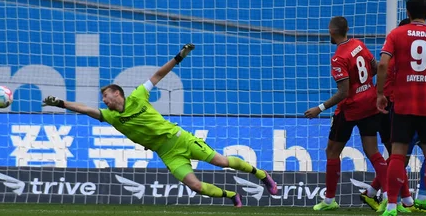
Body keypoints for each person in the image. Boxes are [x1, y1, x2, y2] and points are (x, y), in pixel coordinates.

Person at [42, 43, 278, 207]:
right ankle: (232, 195)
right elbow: (84, 109)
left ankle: (261, 175)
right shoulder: (110, 116)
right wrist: (61, 102)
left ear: (117, 93)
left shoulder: (138, 96)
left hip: (179, 138)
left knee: (221, 161)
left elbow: (157, 75)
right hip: (167, 153)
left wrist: (179, 57)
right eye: (103, 99)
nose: (103, 100)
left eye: (106, 96)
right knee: (195, 186)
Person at [376, 0, 426, 216]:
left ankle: (391, 207)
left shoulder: (396, 34)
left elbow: (383, 64)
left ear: (408, 13)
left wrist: (380, 93)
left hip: (403, 103)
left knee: (398, 154)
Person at [305, 17, 389, 211]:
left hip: (350, 109)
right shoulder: (359, 45)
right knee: (373, 152)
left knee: (332, 151)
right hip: (369, 103)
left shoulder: (338, 58)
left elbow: (344, 92)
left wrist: (320, 108)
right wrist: (366, 86)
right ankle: (388, 196)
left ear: (332, 32)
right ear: (347, 29)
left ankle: (329, 200)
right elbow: (375, 68)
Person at [361, 18, 426, 213]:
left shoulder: (395, 56)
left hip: (390, 106)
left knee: (397, 156)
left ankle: (380, 194)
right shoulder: (400, 59)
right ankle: (393, 198)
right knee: (399, 156)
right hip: (390, 107)